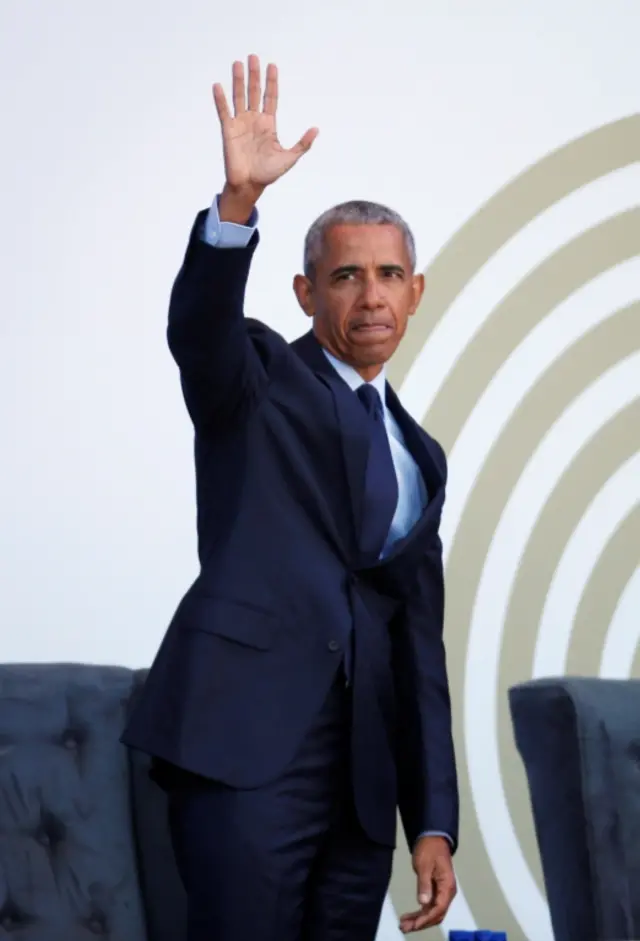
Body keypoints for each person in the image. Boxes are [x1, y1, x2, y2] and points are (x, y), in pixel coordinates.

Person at [122, 54, 458, 941]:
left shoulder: (421, 455)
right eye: (347, 275)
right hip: (245, 749)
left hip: (362, 779)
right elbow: (199, 331)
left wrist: (432, 819)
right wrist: (235, 208)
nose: (371, 294)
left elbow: (417, 644)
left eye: (389, 275)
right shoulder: (260, 377)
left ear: (415, 294)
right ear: (307, 291)